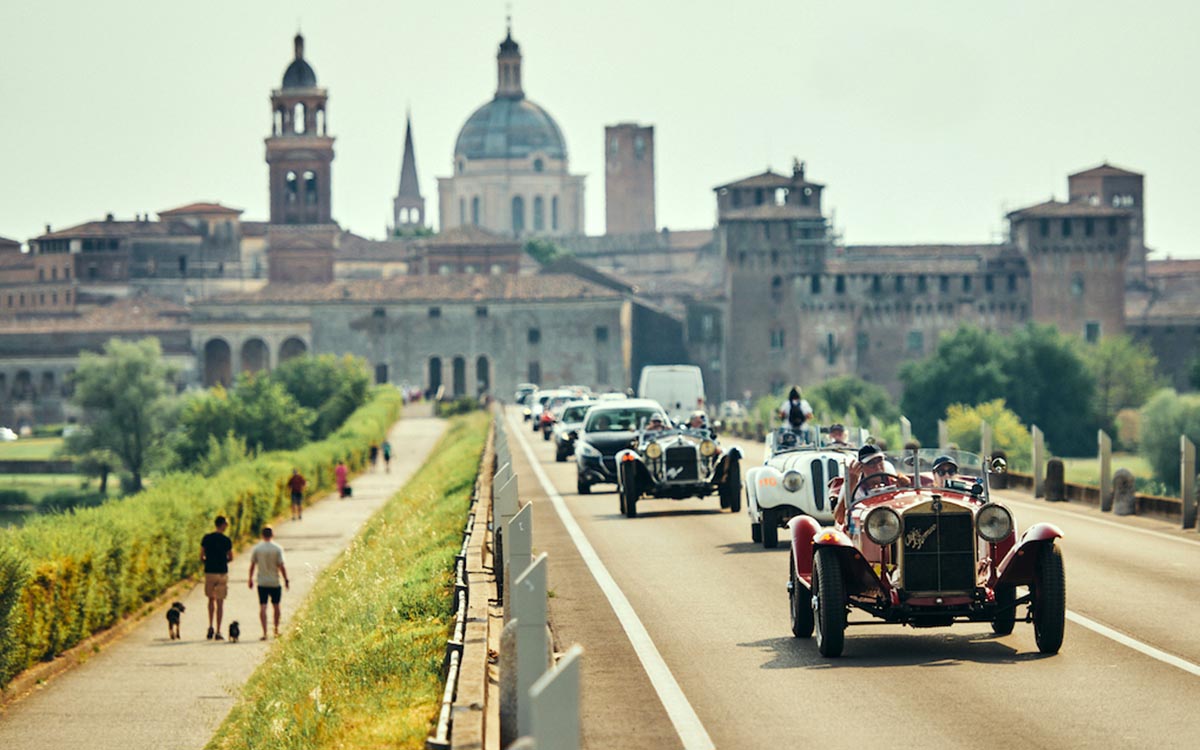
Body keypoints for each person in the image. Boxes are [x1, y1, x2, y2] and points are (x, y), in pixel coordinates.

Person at [248, 526, 289, 640]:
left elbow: (252, 565)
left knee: (263, 606)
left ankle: (264, 632)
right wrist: (286, 579)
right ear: (272, 534)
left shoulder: (257, 548)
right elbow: (281, 566)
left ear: (262, 535)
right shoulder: (277, 548)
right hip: (275, 581)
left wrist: (250, 579)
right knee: (276, 606)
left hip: (262, 582)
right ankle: (276, 630)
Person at [200, 515, 233, 640]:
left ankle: (210, 625)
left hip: (209, 572)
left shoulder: (206, 538)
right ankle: (218, 630)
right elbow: (231, 557)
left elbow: (201, 556)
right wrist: (223, 561)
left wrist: (207, 562)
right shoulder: (226, 540)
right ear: (223, 525)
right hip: (222, 573)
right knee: (220, 602)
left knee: (210, 600)